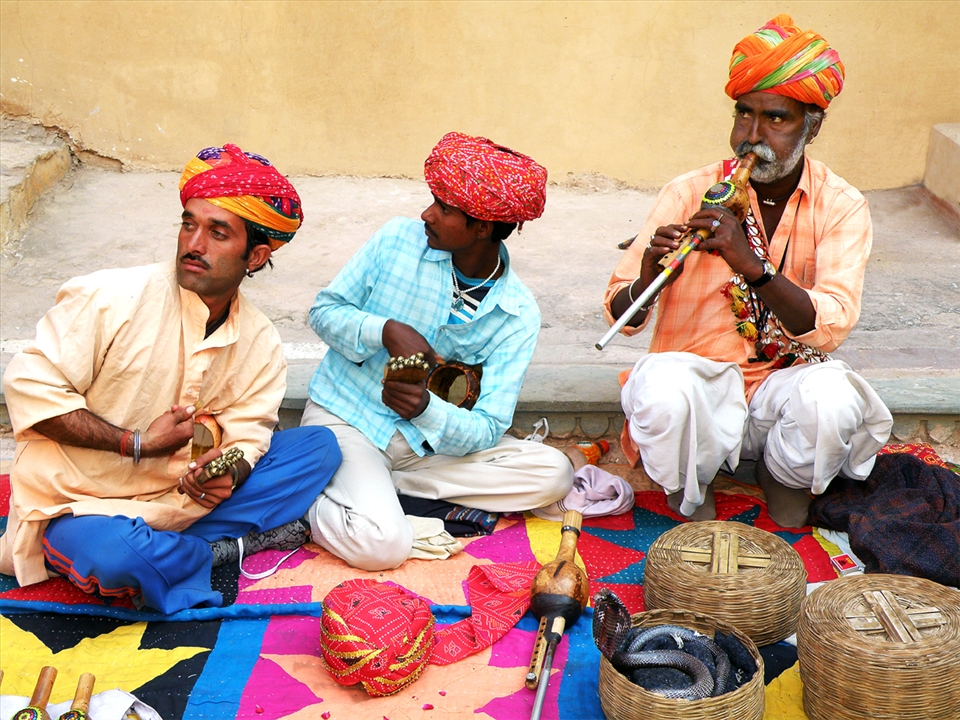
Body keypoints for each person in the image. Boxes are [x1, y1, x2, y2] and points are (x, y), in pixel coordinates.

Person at [0, 144, 341, 613]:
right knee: (113, 553)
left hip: (183, 500)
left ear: (257, 255)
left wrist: (226, 473)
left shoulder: (259, 339)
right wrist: (135, 443)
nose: (193, 244)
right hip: (83, 506)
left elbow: (248, 430)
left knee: (317, 448)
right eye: (188, 224)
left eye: (217, 233)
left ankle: (174, 552)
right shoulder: (109, 298)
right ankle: (210, 552)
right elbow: (29, 390)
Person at [603, 15, 893, 527]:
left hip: (782, 389)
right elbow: (622, 318)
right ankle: (692, 490)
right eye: (743, 115)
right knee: (660, 386)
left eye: (775, 119)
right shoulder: (689, 192)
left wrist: (751, 265)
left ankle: (783, 479)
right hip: (701, 392)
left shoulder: (842, 204)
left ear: (813, 124)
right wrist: (650, 271)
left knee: (834, 398)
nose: (752, 137)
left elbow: (833, 324)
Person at [301, 131, 573, 570]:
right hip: (348, 420)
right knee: (381, 547)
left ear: (482, 227)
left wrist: (427, 410)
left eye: (444, 208)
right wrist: (384, 329)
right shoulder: (395, 240)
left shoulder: (518, 314)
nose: (427, 214)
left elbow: (488, 426)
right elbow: (324, 312)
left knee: (554, 474)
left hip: (424, 451)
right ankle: (313, 504)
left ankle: (375, 490)